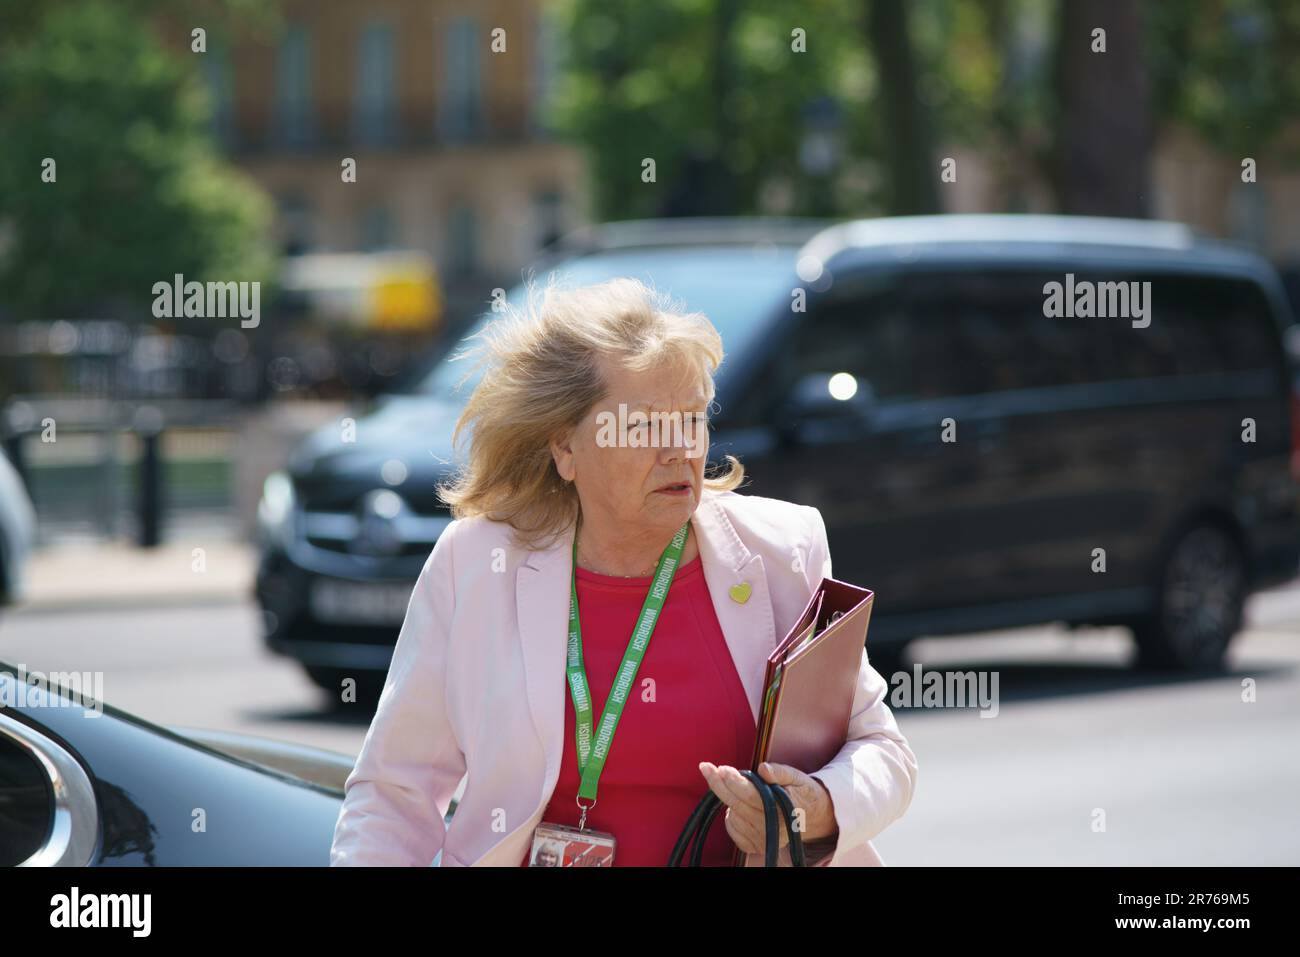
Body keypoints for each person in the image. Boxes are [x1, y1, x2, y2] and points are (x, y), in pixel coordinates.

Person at [330, 276, 917, 866]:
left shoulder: (783, 550)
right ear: (564, 447)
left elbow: (881, 752)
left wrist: (812, 807)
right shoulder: (476, 561)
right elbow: (393, 792)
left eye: (691, 419)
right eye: (642, 426)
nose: (678, 449)